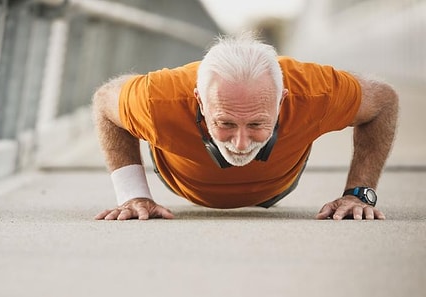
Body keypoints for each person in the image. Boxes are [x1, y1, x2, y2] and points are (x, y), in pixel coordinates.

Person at [92, 32, 398, 221]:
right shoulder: (157, 98)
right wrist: (132, 194)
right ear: (199, 100)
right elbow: (105, 102)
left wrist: (359, 193)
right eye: (225, 122)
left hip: (279, 184)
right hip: (184, 182)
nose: (240, 143)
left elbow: (384, 101)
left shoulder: (315, 92)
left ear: (282, 101)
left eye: (256, 123)